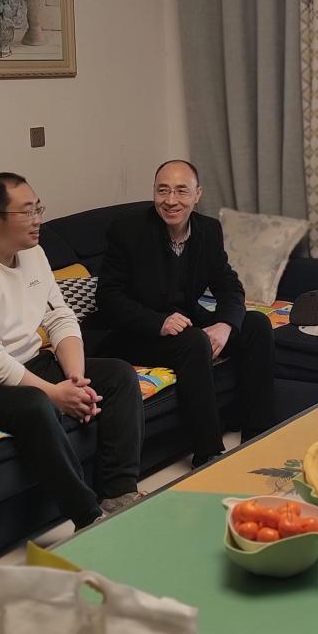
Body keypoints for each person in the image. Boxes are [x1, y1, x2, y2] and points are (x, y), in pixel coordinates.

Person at [0, 172, 144, 531]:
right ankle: (88, 518)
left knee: (118, 375)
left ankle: (119, 492)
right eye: (27, 212)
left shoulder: (33, 254)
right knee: (36, 404)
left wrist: (75, 378)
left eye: (38, 208)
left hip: (28, 363)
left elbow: (59, 316)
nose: (38, 219)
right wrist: (55, 394)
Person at [96, 159, 276, 468]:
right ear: (154, 192)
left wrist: (225, 324)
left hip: (186, 322)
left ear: (197, 194)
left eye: (181, 191)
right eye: (162, 190)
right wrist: (159, 322)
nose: (171, 200)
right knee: (195, 342)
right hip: (136, 332)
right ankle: (208, 453)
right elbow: (108, 298)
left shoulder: (208, 230)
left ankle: (258, 433)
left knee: (256, 324)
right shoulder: (127, 231)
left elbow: (229, 287)